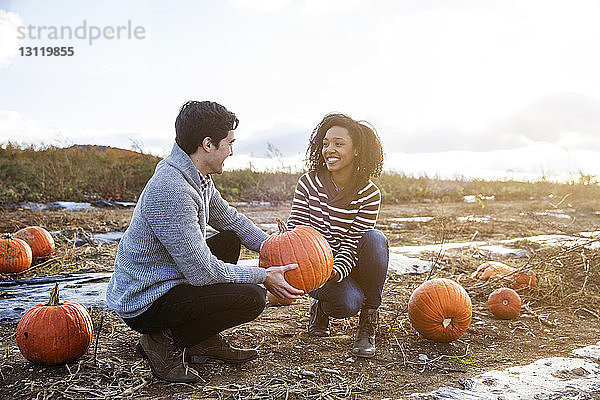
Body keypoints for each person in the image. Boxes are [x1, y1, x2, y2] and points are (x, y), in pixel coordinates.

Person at [106, 100, 303, 383]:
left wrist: (277, 249)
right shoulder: (172, 189)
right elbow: (202, 272)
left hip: (170, 279)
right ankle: (162, 341)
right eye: (229, 143)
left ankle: (201, 339)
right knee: (252, 298)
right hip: (146, 299)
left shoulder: (198, 177)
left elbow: (231, 220)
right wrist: (263, 276)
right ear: (208, 144)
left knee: (229, 240)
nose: (232, 151)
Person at [286, 113, 388, 358]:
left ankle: (368, 322)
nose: (329, 149)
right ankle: (321, 308)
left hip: (347, 264)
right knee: (347, 303)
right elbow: (297, 228)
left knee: (375, 239)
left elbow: (355, 242)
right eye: (325, 143)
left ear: (356, 150)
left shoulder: (368, 193)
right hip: (315, 269)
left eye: (339, 144)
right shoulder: (308, 183)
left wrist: (335, 271)